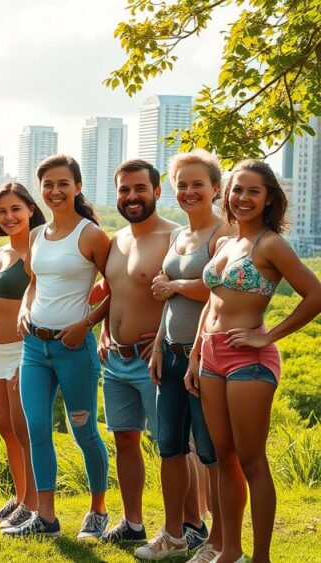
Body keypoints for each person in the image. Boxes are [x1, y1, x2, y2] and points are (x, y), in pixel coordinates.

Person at [187, 160, 321, 563]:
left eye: (253, 191)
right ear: (225, 194)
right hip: (210, 356)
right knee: (224, 458)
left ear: (268, 200)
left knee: (251, 460)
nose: (242, 198)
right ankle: (231, 552)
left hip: (249, 360)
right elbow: (212, 302)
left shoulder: (270, 244)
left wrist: (269, 334)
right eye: (236, 190)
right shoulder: (227, 243)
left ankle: (260, 558)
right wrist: (195, 355)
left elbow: (315, 295)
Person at [5, 154, 111, 539]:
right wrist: (23, 309)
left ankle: (98, 510)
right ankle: (46, 518)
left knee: (83, 431)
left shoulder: (91, 235)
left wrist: (85, 323)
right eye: (48, 184)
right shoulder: (36, 236)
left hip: (74, 349)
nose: (55, 191)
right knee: (37, 430)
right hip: (35, 348)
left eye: (63, 183)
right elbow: (34, 282)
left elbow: (118, 289)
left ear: (77, 187)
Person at [139, 150, 227, 561]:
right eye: (182, 184)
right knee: (169, 448)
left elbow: (219, 292)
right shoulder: (180, 236)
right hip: (171, 356)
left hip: (206, 359)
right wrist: (158, 345)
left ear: (214, 188)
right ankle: (173, 536)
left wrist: (174, 286)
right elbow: (166, 295)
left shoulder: (222, 235)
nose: (189, 191)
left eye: (198, 184)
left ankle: (218, 543)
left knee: (210, 454)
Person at [96, 160, 178, 545]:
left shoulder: (174, 237)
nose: (131, 197)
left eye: (139, 189)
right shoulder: (116, 240)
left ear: (157, 192)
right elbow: (113, 291)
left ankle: (188, 527)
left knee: (174, 446)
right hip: (115, 360)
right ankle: (132, 524)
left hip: (154, 361)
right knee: (124, 440)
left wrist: (163, 341)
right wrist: (101, 332)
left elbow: (193, 297)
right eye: (124, 190)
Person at [0, 183, 45, 529]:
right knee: (6, 428)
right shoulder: (0, 253)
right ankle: (20, 498)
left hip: (25, 350)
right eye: (2, 211)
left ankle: (33, 506)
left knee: (25, 430)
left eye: (16, 209)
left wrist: (31, 357)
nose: (9, 217)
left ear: (31, 210)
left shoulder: (37, 252)